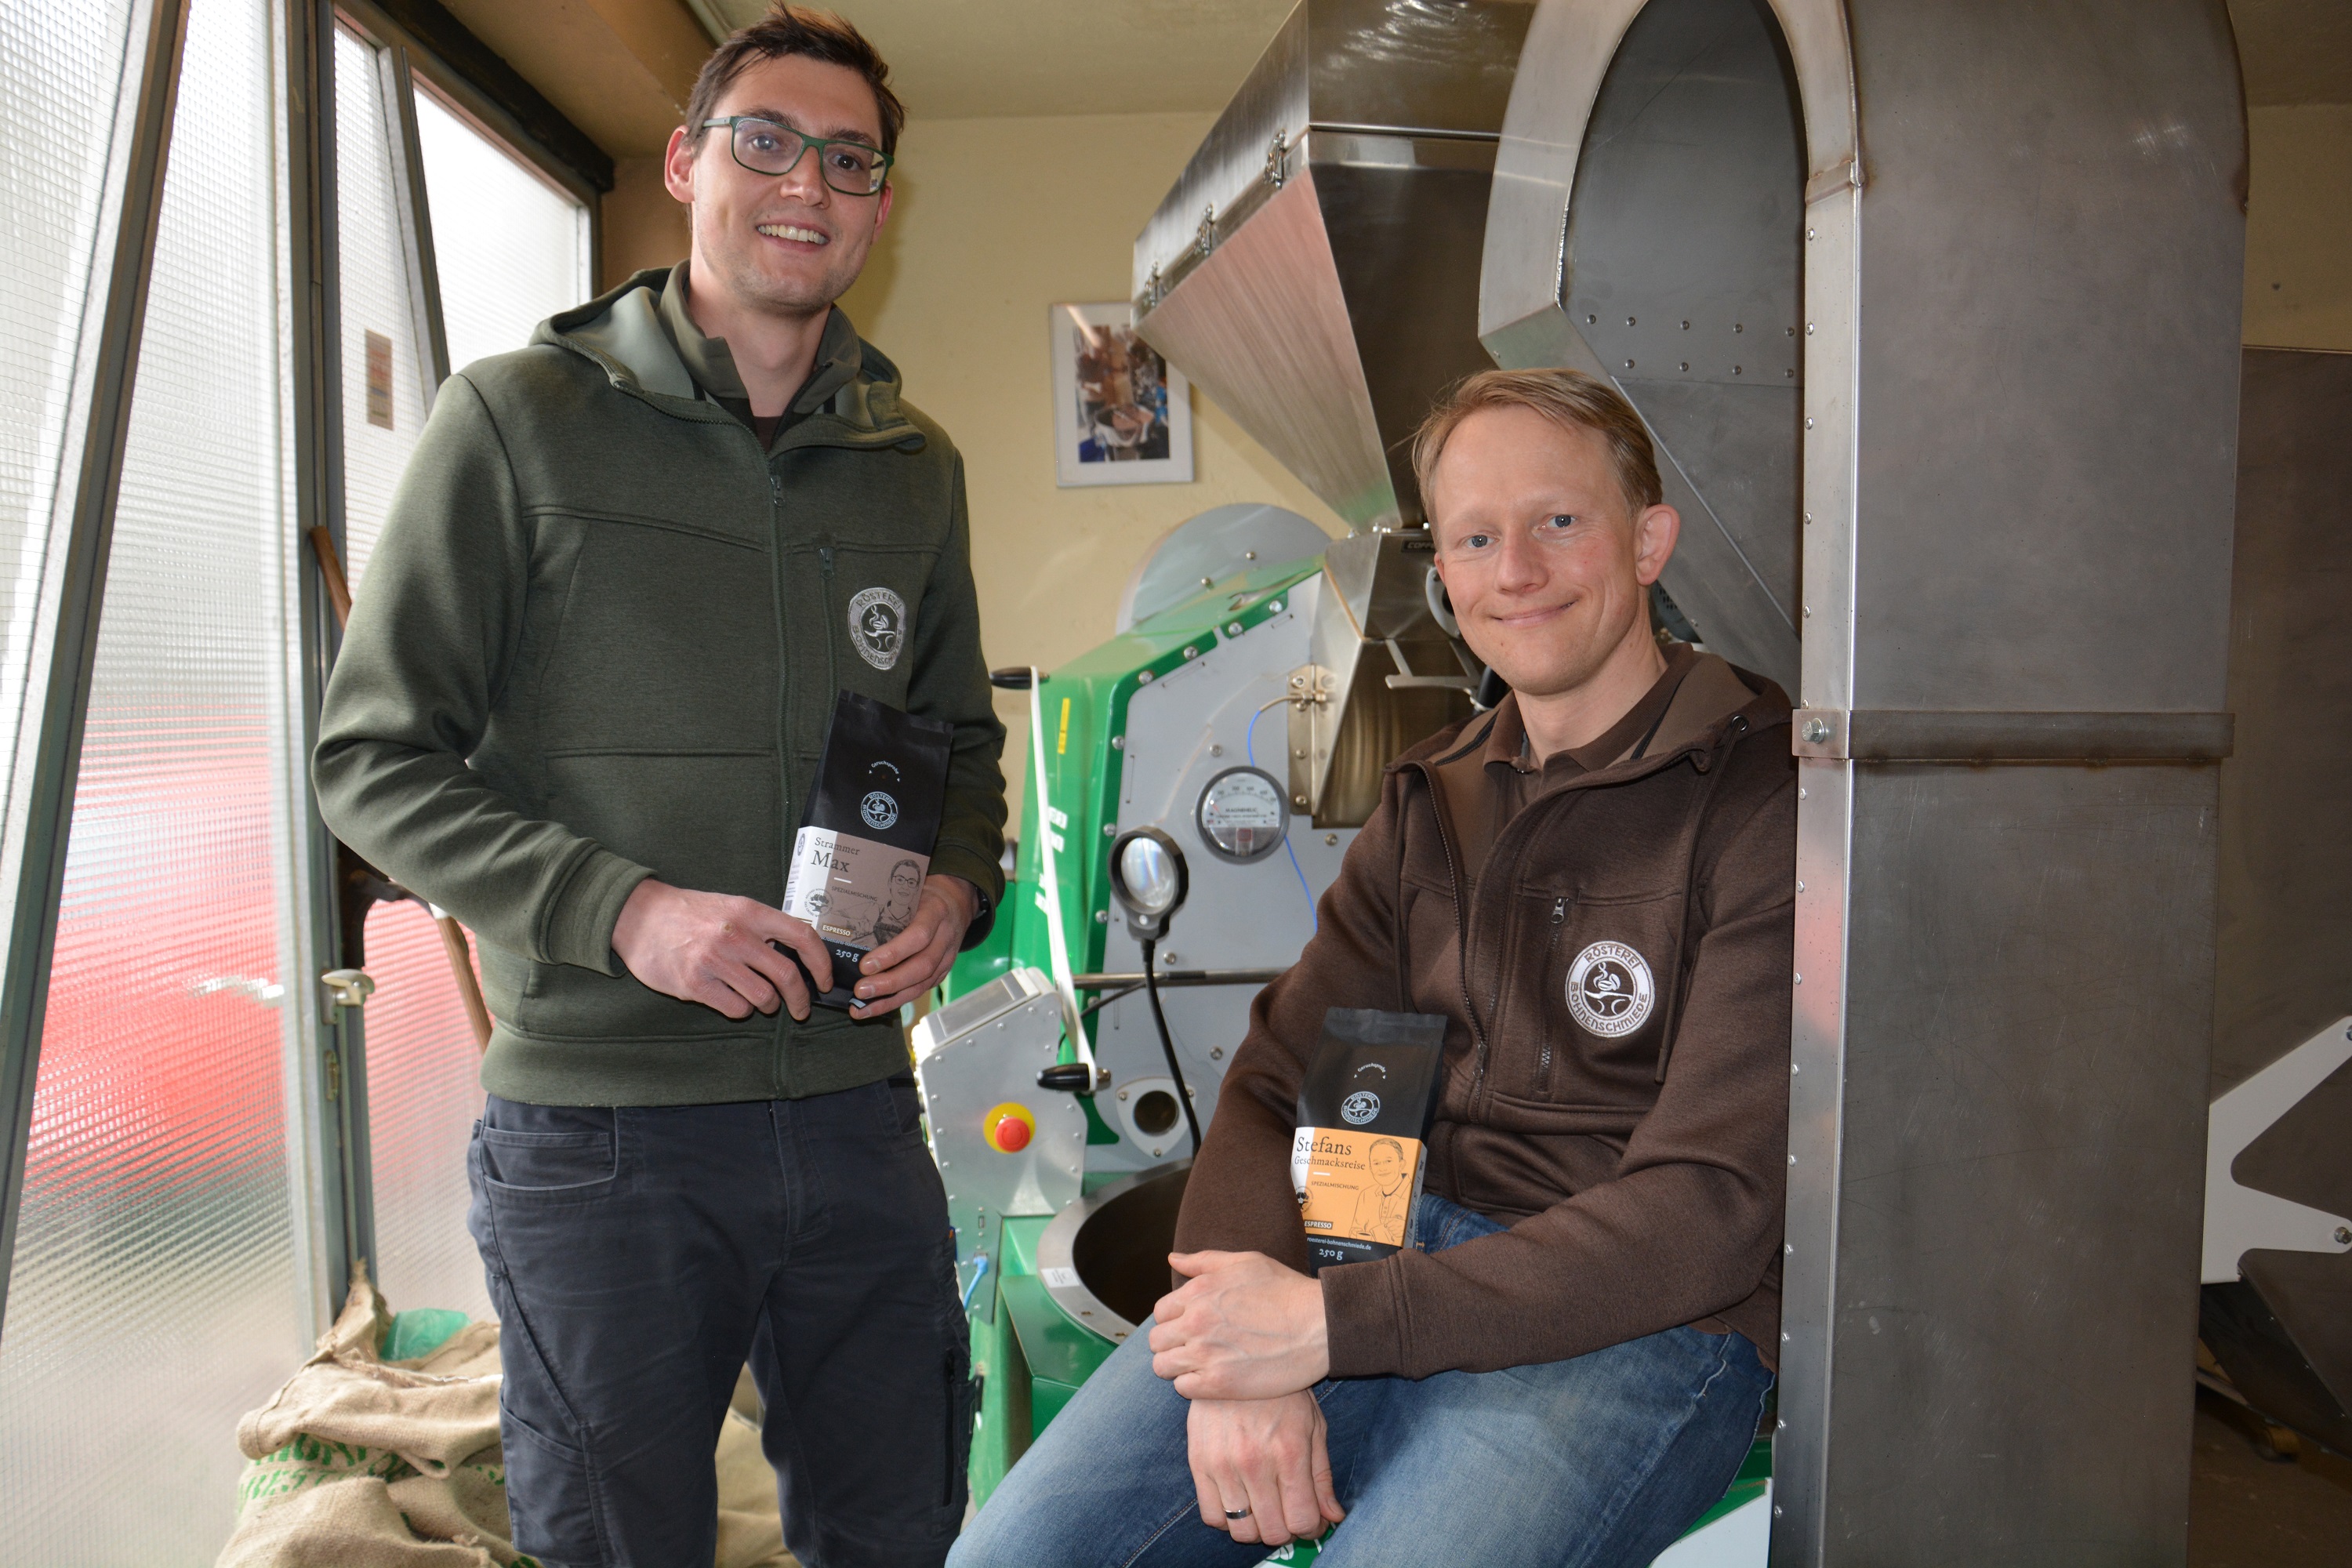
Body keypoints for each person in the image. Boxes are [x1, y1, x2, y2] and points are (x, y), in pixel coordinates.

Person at [311, 9, 1004, 1566]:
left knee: (899, 1523)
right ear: (689, 161)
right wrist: (625, 914)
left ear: (880, 203)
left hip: (850, 1110)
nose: (805, 185)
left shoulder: (915, 469)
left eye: (849, 159)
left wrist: (959, 883)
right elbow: (368, 758)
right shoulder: (514, 422)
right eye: (763, 139)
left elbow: (960, 746)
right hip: (601, 1137)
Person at [951, 368, 1795, 1568]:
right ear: (1443, 575)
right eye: (1476, 537)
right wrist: (1247, 1340)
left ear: (1649, 541)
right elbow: (1275, 1084)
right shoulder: (1433, 796)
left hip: (1635, 1322)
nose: (1518, 571)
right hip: (1379, 1260)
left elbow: (1709, 1212)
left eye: (1561, 521)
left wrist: (1327, 1329)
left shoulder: (1769, 803)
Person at [1346, 1138, 1410, 1244]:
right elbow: (1354, 1233)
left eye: (1388, 1161)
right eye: (1376, 1163)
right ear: (1371, 1168)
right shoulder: (1366, 1195)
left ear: (1401, 1164)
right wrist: (1380, 1232)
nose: (1382, 1168)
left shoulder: (1415, 1193)